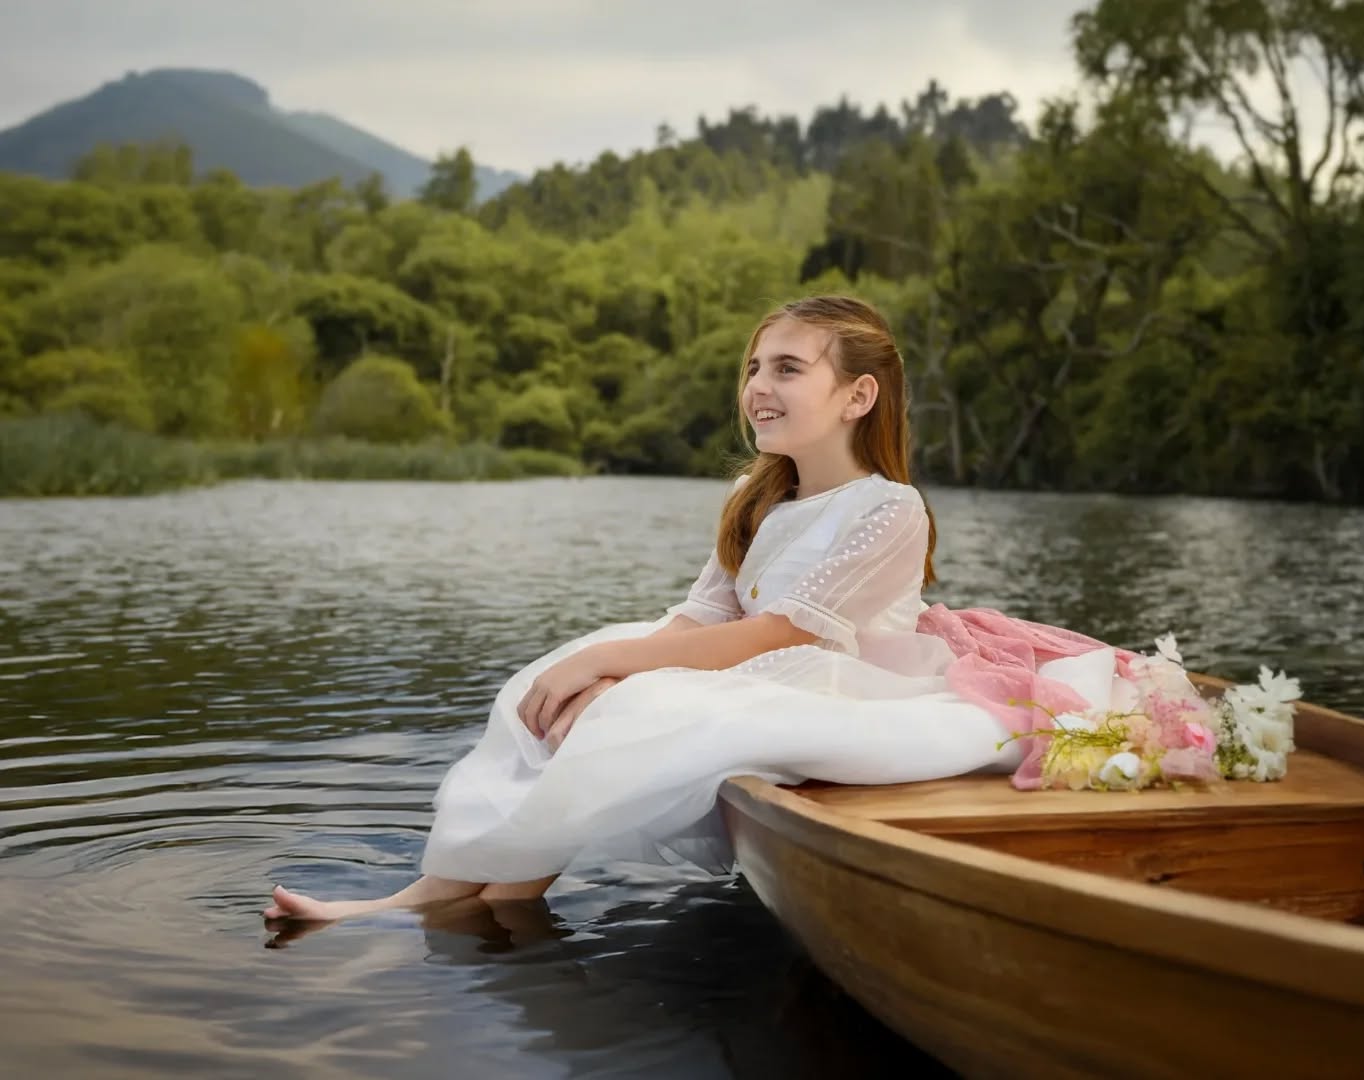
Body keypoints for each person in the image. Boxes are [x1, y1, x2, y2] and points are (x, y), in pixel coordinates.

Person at [264, 295, 1113, 924]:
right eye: (754, 368)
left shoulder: (889, 506)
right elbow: (702, 614)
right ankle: (454, 891)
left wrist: (613, 669)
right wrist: (596, 665)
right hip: (762, 662)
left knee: (619, 696)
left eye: (787, 369)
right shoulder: (759, 495)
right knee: (563, 692)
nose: (758, 386)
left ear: (858, 397)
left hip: (847, 679)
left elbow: (785, 631)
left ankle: (463, 903)